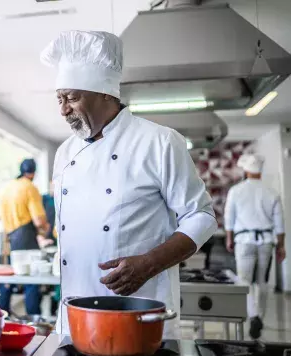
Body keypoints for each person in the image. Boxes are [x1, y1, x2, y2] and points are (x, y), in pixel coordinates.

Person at [40, 30, 218, 338]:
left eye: (72, 97)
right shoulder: (66, 152)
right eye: (59, 98)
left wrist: (149, 263)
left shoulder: (159, 141)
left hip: (139, 314)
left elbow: (201, 217)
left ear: (106, 93)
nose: (63, 110)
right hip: (73, 319)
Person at [224, 153, 286, 339]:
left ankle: (254, 316)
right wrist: (281, 246)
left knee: (244, 281)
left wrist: (229, 238)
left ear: (246, 171)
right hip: (266, 242)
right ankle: (260, 318)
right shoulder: (271, 192)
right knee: (262, 282)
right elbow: (279, 223)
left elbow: (229, 218)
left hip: (244, 241)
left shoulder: (236, 190)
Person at [0, 159, 51, 315]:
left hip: (10, 239)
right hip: (26, 237)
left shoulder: (6, 188)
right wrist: (46, 229)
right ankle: (34, 320)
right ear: (33, 173)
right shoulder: (29, 187)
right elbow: (39, 220)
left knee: (9, 279)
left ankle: (2, 316)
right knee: (31, 281)